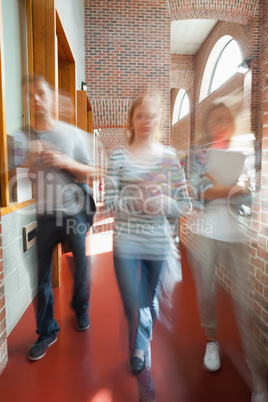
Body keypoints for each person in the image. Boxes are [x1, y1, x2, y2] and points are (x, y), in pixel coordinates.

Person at [104, 94, 191, 401]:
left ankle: (144, 374)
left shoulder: (169, 157)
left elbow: (185, 204)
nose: (147, 121)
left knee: (146, 306)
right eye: (141, 115)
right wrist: (135, 201)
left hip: (157, 245)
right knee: (135, 307)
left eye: (153, 115)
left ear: (160, 120)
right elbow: (109, 204)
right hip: (125, 243)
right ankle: (146, 381)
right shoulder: (117, 157)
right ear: (132, 119)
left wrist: (161, 203)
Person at [187, 102, 267, 402]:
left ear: (233, 123)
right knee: (205, 293)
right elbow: (197, 193)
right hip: (206, 233)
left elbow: (251, 196)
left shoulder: (245, 155)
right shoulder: (199, 154)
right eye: (216, 119)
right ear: (209, 124)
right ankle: (211, 340)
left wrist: (225, 188)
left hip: (238, 234)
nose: (222, 123)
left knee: (246, 306)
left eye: (226, 118)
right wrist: (232, 189)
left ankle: (259, 380)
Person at [23, 76, 96, 361]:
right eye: (30, 95)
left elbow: (91, 172)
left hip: (74, 212)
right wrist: (30, 161)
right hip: (45, 216)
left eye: (41, 93)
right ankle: (46, 331)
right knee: (41, 277)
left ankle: (81, 307)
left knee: (81, 268)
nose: (36, 100)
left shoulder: (73, 134)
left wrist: (65, 162)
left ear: (51, 97)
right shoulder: (23, 136)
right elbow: (23, 180)